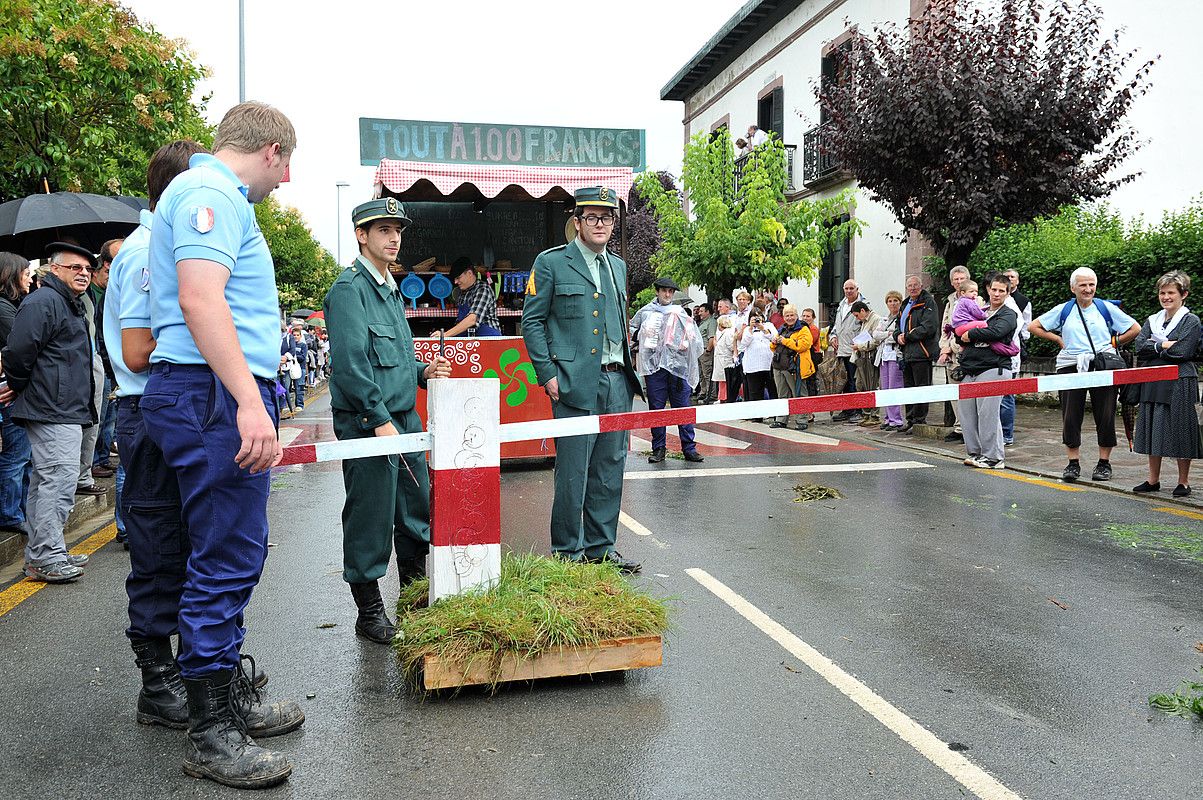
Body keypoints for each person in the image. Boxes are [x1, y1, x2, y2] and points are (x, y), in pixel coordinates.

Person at [142, 101, 304, 789]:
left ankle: (222, 703)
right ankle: (212, 733)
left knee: (213, 550)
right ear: (268, 150)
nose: (287, 180)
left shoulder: (195, 192)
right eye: (287, 162)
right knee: (227, 556)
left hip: (197, 388)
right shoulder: (211, 193)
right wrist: (246, 399)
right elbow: (202, 300)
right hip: (212, 391)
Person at [105, 139, 216, 731]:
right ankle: (156, 679)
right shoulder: (148, 251)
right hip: (148, 410)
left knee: (192, 541)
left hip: (167, 406)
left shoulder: (163, 245)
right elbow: (137, 349)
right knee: (157, 544)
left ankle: (195, 669)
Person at [326, 198, 453, 644]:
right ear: (361, 235)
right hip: (370, 423)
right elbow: (350, 364)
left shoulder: (390, 287)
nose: (394, 237)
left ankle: (414, 597)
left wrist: (422, 372)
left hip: (405, 417)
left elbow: (394, 356)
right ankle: (369, 612)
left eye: (397, 229)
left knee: (414, 513)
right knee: (371, 516)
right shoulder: (349, 289)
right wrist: (378, 420)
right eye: (383, 229)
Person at [522, 186, 643, 573]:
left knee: (609, 468)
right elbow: (533, 321)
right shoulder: (551, 263)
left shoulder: (618, 266)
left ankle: (600, 548)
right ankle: (567, 553)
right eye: (591, 217)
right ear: (577, 222)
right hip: (573, 381)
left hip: (616, 381)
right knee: (573, 471)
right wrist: (547, 375)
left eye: (607, 217)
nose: (600, 224)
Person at [0, 243, 97, 582]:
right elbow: (17, 352)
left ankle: (46, 551)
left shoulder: (65, 303)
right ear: (54, 269)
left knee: (46, 483)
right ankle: (46, 556)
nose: (83, 273)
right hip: (53, 408)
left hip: (62, 407)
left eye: (87, 268)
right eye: (75, 267)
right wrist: (21, 384)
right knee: (58, 483)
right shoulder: (45, 301)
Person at [1030, 267, 1140, 483]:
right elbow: (1034, 326)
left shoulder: (1105, 308)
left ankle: (1104, 463)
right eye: (1083, 285)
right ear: (1073, 288)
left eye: (1091, 285)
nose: (1088, 289)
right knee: (1071, 415)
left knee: (1106, 413)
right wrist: (1058, 340)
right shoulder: (1064, 309)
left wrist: (1113, 343)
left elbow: (1135, 328)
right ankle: (1073, 463)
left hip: (1102, 364)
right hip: (1070, 364)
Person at [1131, 271, 1200, 497]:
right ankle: (1153, 479)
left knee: (1181, 428)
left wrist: (1157, 347)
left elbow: (1184, 351)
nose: (1166, 297)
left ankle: (1184, 481)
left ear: (1184, 295)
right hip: (1154, 377)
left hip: (1180, 380)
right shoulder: (1153, 320)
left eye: (1171, 292)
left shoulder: (1191, 321)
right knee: (1153, 426)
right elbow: (1140, 347)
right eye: (1162, 292)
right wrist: (1164, 346)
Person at [630, 277, 704, 464]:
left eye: (670, 291)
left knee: (683, 407)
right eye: (664, 290)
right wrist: (641, 337)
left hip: (678, 368)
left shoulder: (679, 313)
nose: (667, 294)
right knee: (656, 408)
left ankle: (689, 448)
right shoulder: (646, 312)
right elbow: (632, 331)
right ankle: (659, 448)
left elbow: (694, 339)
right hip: (655, 369)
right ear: (657, 291)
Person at [956, 275, 1019, 469]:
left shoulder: (1008, 314)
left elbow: (996, 332)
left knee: (988, 414)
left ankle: (994, 457)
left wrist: (971, 334)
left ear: (1008, 293)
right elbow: (959, 335)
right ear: (988, 290)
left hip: (994, 369)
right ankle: (975, 453)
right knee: (966, 414)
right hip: (970, 369)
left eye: (1002, 290)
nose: (997, 294)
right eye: (994, 289)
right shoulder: (980, 312)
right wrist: (965, 335)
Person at [0, 253, 34, 535]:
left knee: (22, 455)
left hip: (14, 389)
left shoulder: (14, 304)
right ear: (10, 275)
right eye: (25, 273)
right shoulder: (3, 309)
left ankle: (17, 510)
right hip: (9, 391)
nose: (30, 277)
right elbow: (22, 345)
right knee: (17, 455)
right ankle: (11, 513)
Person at [89, 239, 120, 477]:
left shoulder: (112, 293)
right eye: (108, 271)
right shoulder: (90, 295)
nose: (111, 276)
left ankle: (102, 457)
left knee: (109, 416)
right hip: (98, 360)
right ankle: (96, 460)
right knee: (99, 417)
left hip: (108, 362)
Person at [896, 274, 939, 433]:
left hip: (922, 352)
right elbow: (898, 325)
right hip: (907, 352)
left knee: (922, 387)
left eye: (915, 285)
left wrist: (906, 336)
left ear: (921, 286)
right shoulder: (905, 303)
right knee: (909, 388)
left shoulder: (928, 302)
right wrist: (897, 336)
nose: (912, 288)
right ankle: (910, 419)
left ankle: (919, 421)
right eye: (910, 285)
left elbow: (928, 327)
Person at [937, 266, 970, 442]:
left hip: (964, 352)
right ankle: (959, 427)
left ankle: (967, 429)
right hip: (950, 354)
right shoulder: (950, 301)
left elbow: (970, 327)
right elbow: (945, 328)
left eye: (962, 278)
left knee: (966, 394)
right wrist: (944, 347)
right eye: (956, 279)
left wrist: (952, 346)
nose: (959, 282)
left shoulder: (975, 299)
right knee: (953, 393)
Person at [768, 303, 812, 430]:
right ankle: (781, 420)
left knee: (798, 393)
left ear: (796, 316)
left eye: (792, 315)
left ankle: (802, 420)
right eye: (787, 315)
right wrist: (774, 342)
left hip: (794, 367)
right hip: (779, 366)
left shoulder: (803, 328)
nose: (789, 318)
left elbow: (803, 345)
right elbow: (773, 347)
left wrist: (784, 341)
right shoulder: (782, 328)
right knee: (782, 394)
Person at [1001, 268, 1032, 446]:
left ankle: (1007, 433)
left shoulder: (1020, 301)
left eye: (1012, 277)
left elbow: (1026, 325)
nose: (1009, 279)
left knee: (1007, 395)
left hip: (1012, 350)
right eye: (1006, 277)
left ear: (1017, 281)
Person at [830, 279, 865, 420]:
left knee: (855, 381)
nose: (849, 291)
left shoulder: (864, 305)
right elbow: (836, 325)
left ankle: (857, 410)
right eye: (846, 288)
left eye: (851, 288)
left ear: (857, 289)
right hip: (841, 349)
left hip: (854, 350)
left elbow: (866, 327)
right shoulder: (841, 304)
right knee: (843, 381)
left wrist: (858, 345)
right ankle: (847, 409)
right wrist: (833, 336)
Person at [442, 256, 501, 337]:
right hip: (470, 340)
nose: (455, 282)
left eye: (458, 278)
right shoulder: (463, 293)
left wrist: (444, 335)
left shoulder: (483, 290)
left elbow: (472, 319)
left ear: (469, 273)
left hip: (488, 339)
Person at [872, 290, 905, 431]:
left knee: (894, 388)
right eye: (890, 301)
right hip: (883, 356)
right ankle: (887, 417)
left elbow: (899, 336)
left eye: (895, 301)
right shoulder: (884, 319)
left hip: (895, 355)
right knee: (885, 388)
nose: (892, 303)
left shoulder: (902, 318)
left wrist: (888, 336)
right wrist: (888, 334)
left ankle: (896, 420)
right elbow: (875, 334)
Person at [738, 309, 777, 417]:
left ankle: (774, 413)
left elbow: (774, 338)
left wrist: (763, 329)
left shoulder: (769, 325)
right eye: (753, 317)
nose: (756, 319)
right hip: (753, 365)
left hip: (768, 363)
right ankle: (757, 415)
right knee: (755, 391)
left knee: (772, 388)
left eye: (758, 316)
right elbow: (743, 344)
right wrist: (751, 328)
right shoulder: (747, 329)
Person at [849, 300, 881, 424]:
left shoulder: (875, 320)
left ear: (863, 310)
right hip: (863, 357)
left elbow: (875, 340)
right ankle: (866, 413)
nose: (857, 318)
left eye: (857, 315)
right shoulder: (864, 322)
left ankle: (874, 415)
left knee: (871, 385)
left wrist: (860, 346)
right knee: (860, 385)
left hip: (871, 357)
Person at [694, 302, 718, 404]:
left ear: (707, 312)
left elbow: (711, 337)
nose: (699, 313)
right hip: (699, 351)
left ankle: (711, 394)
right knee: (701, 374)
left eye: (702, 311)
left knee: (707, 373)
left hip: (705, 351)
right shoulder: (703, 322)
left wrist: (708, 349)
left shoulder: (711, 322)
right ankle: (703, 392)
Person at [282, 321, 308, 410]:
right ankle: (286, 405)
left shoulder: (303, 345)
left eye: (297, 335)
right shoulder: (288, 344)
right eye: (294, 335)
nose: (296, 337)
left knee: (299, 387)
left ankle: (299, 405)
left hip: (300, 368)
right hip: (289, 368)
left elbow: (303, 357)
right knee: (286, 387)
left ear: (300, 336)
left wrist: (295, 355)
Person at [713, 315, 737, 402]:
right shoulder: (723, 333)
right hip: (721, 360)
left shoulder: (727, 333)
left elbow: (731, 346)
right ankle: (721, 397)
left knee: (724, 381)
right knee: (722, 381)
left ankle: (723, 398)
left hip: (725, 361)